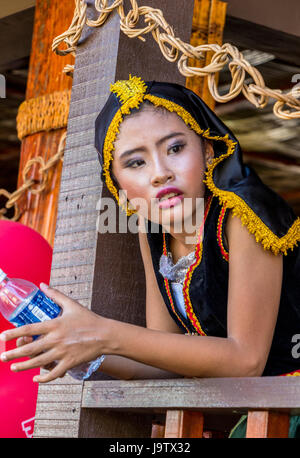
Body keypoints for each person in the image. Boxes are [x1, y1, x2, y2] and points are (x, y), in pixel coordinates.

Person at [0, 76, 299, 437]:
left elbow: (246, 360)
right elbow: (166, 361)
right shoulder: (152, 233)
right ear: (119, 187)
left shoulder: (243, 216)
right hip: (266, 414)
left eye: (175, 148)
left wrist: (102, 331)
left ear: (207, 150)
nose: (160, 173)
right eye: (136, 163)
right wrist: (81, 349)